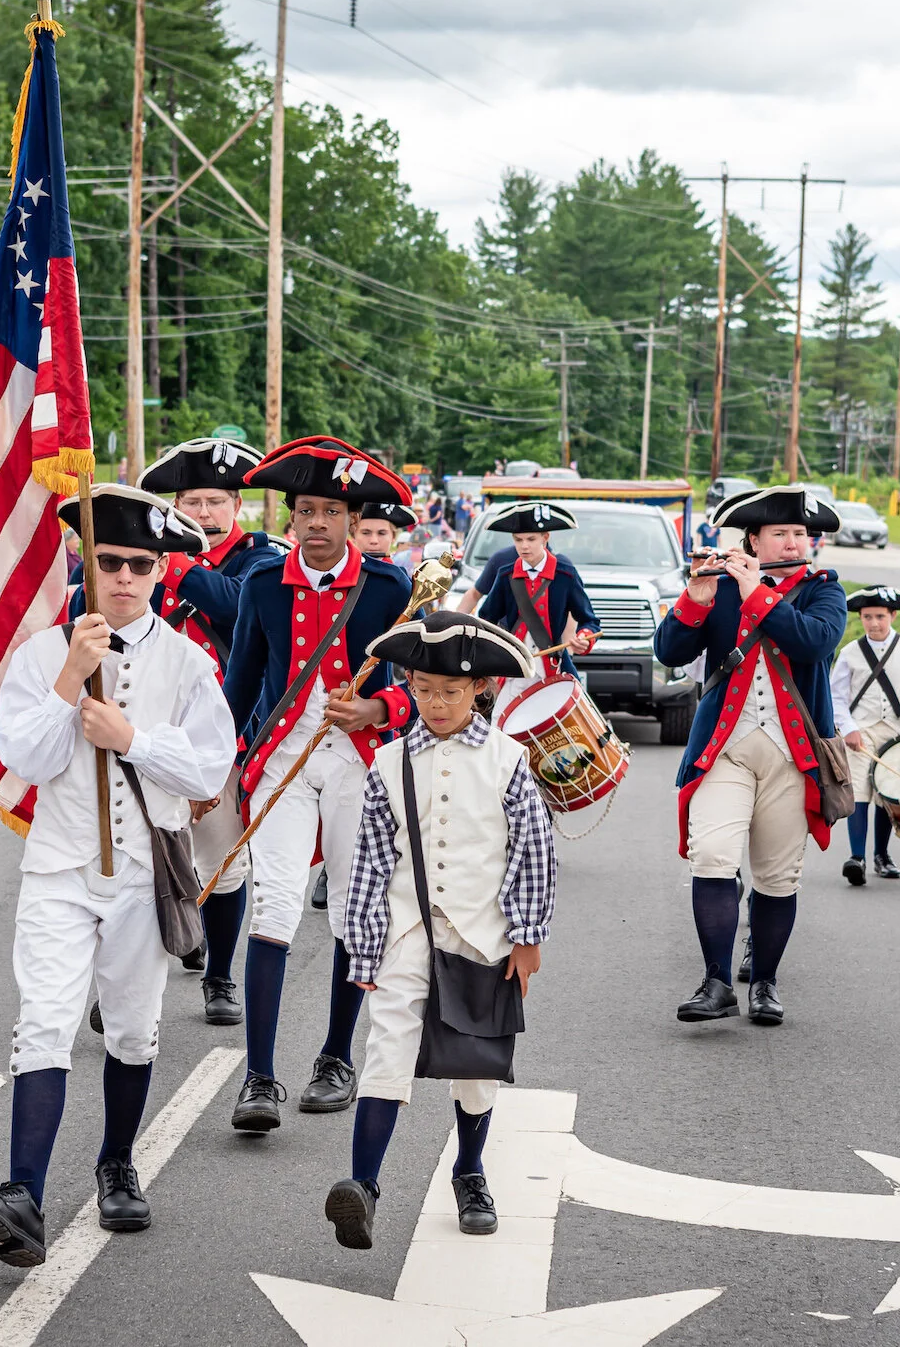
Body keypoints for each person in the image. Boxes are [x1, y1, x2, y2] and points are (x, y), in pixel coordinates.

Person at [0, 485, 232, 1268]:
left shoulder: (187, 661)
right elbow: (23, 758)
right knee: (43, 1022)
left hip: (144, 874)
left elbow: (211, 763)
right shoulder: (43, 652)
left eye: (141, 564)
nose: (125, 576)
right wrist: (72, 676)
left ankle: (116, 1162)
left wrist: (131, 737)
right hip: (60, 868)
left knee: (135, 1032)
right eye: (111, 560)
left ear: (161, 568)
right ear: (88, 559)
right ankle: (22, 1196)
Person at [324, 613, 556, 1250]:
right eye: (423, 689)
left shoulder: (509, 759)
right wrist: (364, 945)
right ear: (409, 683)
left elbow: (532, 850)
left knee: (476, 1065)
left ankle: (470, 1170)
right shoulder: (391, 760)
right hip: (405, 933)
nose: (436, 702)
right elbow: (371, 858)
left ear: (480, 688)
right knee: (387, 1047)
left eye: (450, 691)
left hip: (484, 935)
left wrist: (527, 936)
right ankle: (362, 1188)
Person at [223, 436, 418, 1131]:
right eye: (304, 510)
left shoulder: (393, 587)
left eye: (329, 511)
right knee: (273, 905)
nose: (315, 523)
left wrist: (379, 707)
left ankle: (336, 1056)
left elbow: (428, 688)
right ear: (290, 519)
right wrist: (218, 763)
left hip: (359, 767)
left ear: (350, 516)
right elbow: (239, 682)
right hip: (283, 766)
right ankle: (258, 1076)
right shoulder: (261, 585)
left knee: (350, 914)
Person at [654, 486, 845, 1027]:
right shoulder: (720, 588)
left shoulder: (824, 592)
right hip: (725, 749)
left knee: (777, 877)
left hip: (794, 755)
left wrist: (755, 588)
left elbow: (812, 643)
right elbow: (668, 651)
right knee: (712, 854)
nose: (793, 543)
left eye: (800, 535)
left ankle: (764, 981)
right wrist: (695, 596)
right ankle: (717, 981)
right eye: (781, 534)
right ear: (754, 540)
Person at [137, 437, 282, 1023]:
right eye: (191, 501)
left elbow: (238, 608)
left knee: (223, 863)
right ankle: (132, 982)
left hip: (222, 731)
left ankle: (219, 978)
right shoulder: (146, 556)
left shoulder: (261, 562)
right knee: (139, 859)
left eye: (216, 500)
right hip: (146, 730)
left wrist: (177, 564)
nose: (203, 512)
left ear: (236, 508)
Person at [828, 585, 900, 886]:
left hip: (897, 730)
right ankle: (857, 857)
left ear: (893, 615)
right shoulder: (849, 653)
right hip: (860, 729)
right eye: (867, 617)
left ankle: (882, 855)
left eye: (880, 616)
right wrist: (848, 728)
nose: (873, 623)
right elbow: (836, 697)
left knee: (886, 794)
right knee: (859, 792)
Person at [471, 501, 601, 694]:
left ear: (545, 538)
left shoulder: (565, 575)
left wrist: (583, 638)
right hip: (514, 671)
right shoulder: (506, 575)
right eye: (518, 540)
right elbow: (486, 620)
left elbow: (590, 621)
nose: (524, 546)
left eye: (531, 539)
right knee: (500, 722)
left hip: (554, 668)